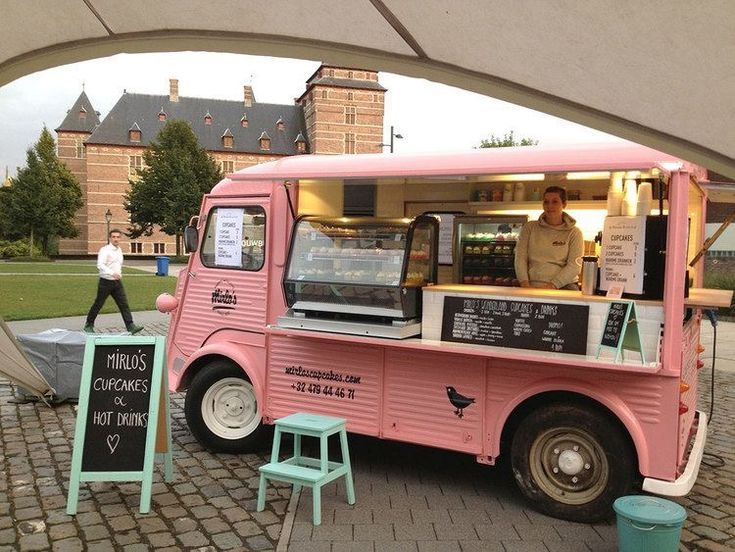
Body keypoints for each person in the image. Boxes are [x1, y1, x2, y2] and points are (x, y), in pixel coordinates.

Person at [514, 186, 584, 290]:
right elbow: (520, 258)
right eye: (546, 202)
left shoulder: (574, 233)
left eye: (555, 202)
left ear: (564, 204)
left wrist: (552, 285)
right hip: (531, 285)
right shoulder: (529, 228)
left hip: (564, 286)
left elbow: (574, 266)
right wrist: (524, 283)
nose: (549, 206)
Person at [84, 229, 144, 334]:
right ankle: (88, 325)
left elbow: (118, 265)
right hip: (105, 282)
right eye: (114, 237)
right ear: (110, 238)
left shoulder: (119, 250)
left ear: (120, 238)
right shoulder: (105, 250)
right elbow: (100, 265)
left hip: (117, 282)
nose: (116, 239)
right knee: (98, 304)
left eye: (118, 237)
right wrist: (112, 273)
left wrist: (118, 274)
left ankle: (130, 325)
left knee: (123, 304)